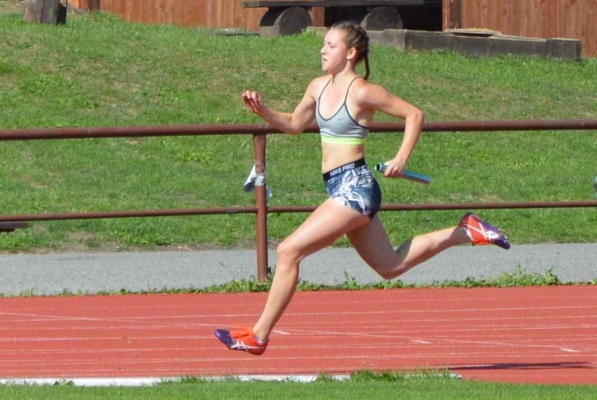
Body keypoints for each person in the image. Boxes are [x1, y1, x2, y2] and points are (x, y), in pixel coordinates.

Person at [215, 21, 510, 356]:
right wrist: (263, 110)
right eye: (323, 44)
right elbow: (295, 125)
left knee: (287, 251)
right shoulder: (317, 87)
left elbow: (414, 114)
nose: (322, 50)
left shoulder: (363, 91)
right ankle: (464, 230)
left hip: (356, 187)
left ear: (350, 53)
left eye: (330, 45)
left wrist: (401, 158)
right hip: (339, 187)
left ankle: (259, 335)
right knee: (391, 266)